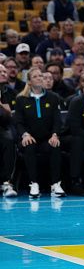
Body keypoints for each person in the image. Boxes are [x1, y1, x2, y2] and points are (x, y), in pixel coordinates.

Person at [14, 68, 64, 198]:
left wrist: (55, 135)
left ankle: (55, 184)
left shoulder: (53, 97)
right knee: (29, 145)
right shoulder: (21, 99)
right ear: (29, 81)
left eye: (41, 76)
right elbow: (18, 122)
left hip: (47, 137)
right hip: (29, 137)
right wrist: (24, 134)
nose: (40, 78)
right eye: (35, 76)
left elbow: (57, 121)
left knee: (55, 145)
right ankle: (34, 184)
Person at [0, 64, 18, 198]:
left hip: (3, 127)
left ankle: (6, 183)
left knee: (9, 140)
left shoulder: (10, 92)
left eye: (4, 71)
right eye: (0, 71)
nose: (3, 73)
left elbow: (10, 116)